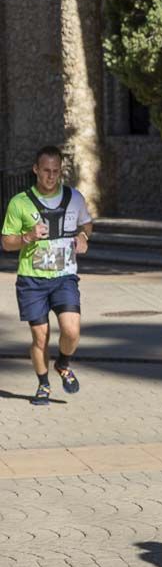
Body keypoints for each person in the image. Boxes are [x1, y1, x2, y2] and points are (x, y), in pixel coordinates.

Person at [1, 145, 93, 406]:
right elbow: (6, 243)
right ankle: (43, 384)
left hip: (64, 277)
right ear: (35, 169)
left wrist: (83, 236)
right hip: (32, 280)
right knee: (40, 336)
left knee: (71, 331)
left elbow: (87, 223)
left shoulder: (75, 197)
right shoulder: (19, 202)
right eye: (46, 171)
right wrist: (27, 237)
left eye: (55, 171)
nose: (51, 176)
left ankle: (62, 364)